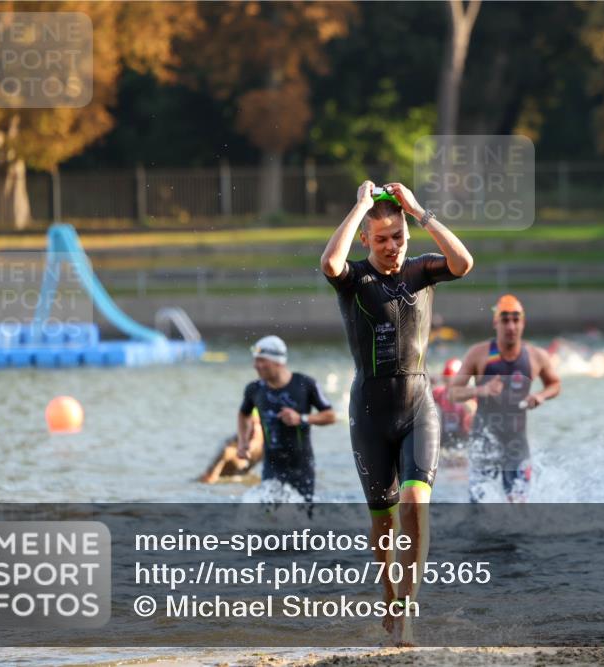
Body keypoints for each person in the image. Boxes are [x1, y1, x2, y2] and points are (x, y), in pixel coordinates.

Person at [320, 180, 473, 645]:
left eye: (399, 237)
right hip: (369, 413)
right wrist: (360, 207)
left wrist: (420, 211)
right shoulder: (354, 279)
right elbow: (329, 263)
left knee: (415, 503)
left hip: (417, 407)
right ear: (366, 239)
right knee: (384, 522)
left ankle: (405, 613)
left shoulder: (421, 271)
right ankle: (389, 597)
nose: (392, 247)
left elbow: (463, 263)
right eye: (382, 239)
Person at [450, 295, 561, 502]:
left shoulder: (536, 356)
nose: (511, 326)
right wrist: (481, 390)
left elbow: (555, 384)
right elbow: (453, 392)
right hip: (484, 443)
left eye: (516, 320)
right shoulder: (479, 354)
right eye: (505, 320)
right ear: (496, 323)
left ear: (523, 323)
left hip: (516, 446)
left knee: (518, 508)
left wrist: (540, 396)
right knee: (480, 509)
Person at [236, 335, 336, 502]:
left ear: (278, 361)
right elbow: (243, 414)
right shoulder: (254, 389)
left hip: (302, 467)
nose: (256, 365)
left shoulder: (305, 384)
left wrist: (301, 418)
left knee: (303, 513)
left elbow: (331, 416)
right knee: (269, 513)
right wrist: (243, 442)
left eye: (261, 360)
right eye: (255, 360)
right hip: (271, 466)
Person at [199, 409, 263, 483]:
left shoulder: (265, 446)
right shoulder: (229, 449)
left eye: (259, 423)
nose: (255, 428)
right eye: (251, 423)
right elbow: (208, 479)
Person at [432, 358, 476, 450]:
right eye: (446, 381)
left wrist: (461, 399)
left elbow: (473, 410)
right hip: (445, 438)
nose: (449, 385)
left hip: (463, 440)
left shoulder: (469, 394)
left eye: (451, 381)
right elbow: (422, 399)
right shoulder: (440, 392)